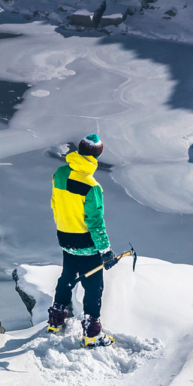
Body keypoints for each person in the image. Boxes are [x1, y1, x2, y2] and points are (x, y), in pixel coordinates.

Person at [47, 133, 117, 346]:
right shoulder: (92, 187)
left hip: (65, 238)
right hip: (87, 243)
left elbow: (54, 204)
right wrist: (105, 251)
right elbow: (95, 223)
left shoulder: (60, 173)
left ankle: (56, 321)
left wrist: (66, 227)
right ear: (97, 155)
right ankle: (92, 334)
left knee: (67, 277)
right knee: (93, 287)